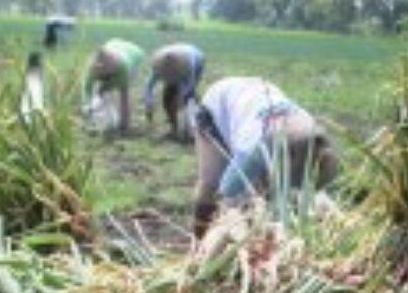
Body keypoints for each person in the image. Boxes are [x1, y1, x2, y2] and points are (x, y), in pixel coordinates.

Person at [190, 77, 339, 239]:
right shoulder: (254, 148)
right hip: (218, 102)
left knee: (269, 195)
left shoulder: (314, 137)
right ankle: (198, 242)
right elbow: (226, 193)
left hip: (258, 96)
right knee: (210, 184)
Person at [144, 43, 206, 140]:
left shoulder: (190, 64)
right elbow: (148, 86)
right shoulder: (159, 66)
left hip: (196, 61)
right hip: (179, 61)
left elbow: (190, 85)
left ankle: (191, 129)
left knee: (189, 98)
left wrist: (181, 97)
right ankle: (173, 127)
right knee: (168, 98)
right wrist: (148, 104)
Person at [83, 39, 145, 133]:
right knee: (101, 90)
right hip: (114, 44)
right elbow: (87, 88)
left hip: (134, 53)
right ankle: (101, 118)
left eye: (106, 74)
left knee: (109, 88)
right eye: (100, 74)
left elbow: (124, 97)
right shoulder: (91, 69)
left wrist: (124, 125)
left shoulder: (123, 68)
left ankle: (122, 122)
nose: (102, 77)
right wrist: (87, 106)